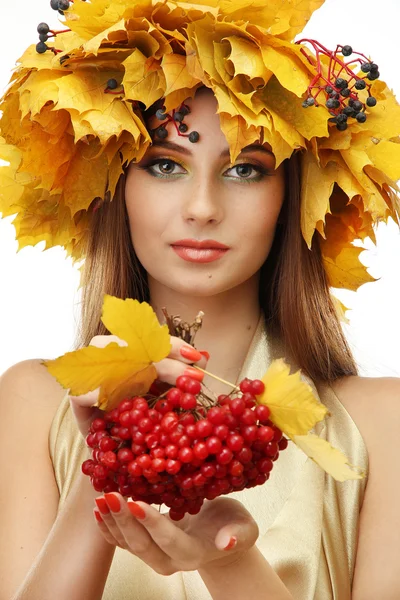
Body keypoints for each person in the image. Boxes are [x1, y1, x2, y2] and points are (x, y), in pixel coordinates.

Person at [1, 1, 400, 599]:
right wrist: (108, 458)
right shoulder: (33, 404)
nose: (203, 207)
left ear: (291, 197)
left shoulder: (381, 424)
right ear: (117, 189)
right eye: (165, 165)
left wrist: (228, 559)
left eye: (245, 170)